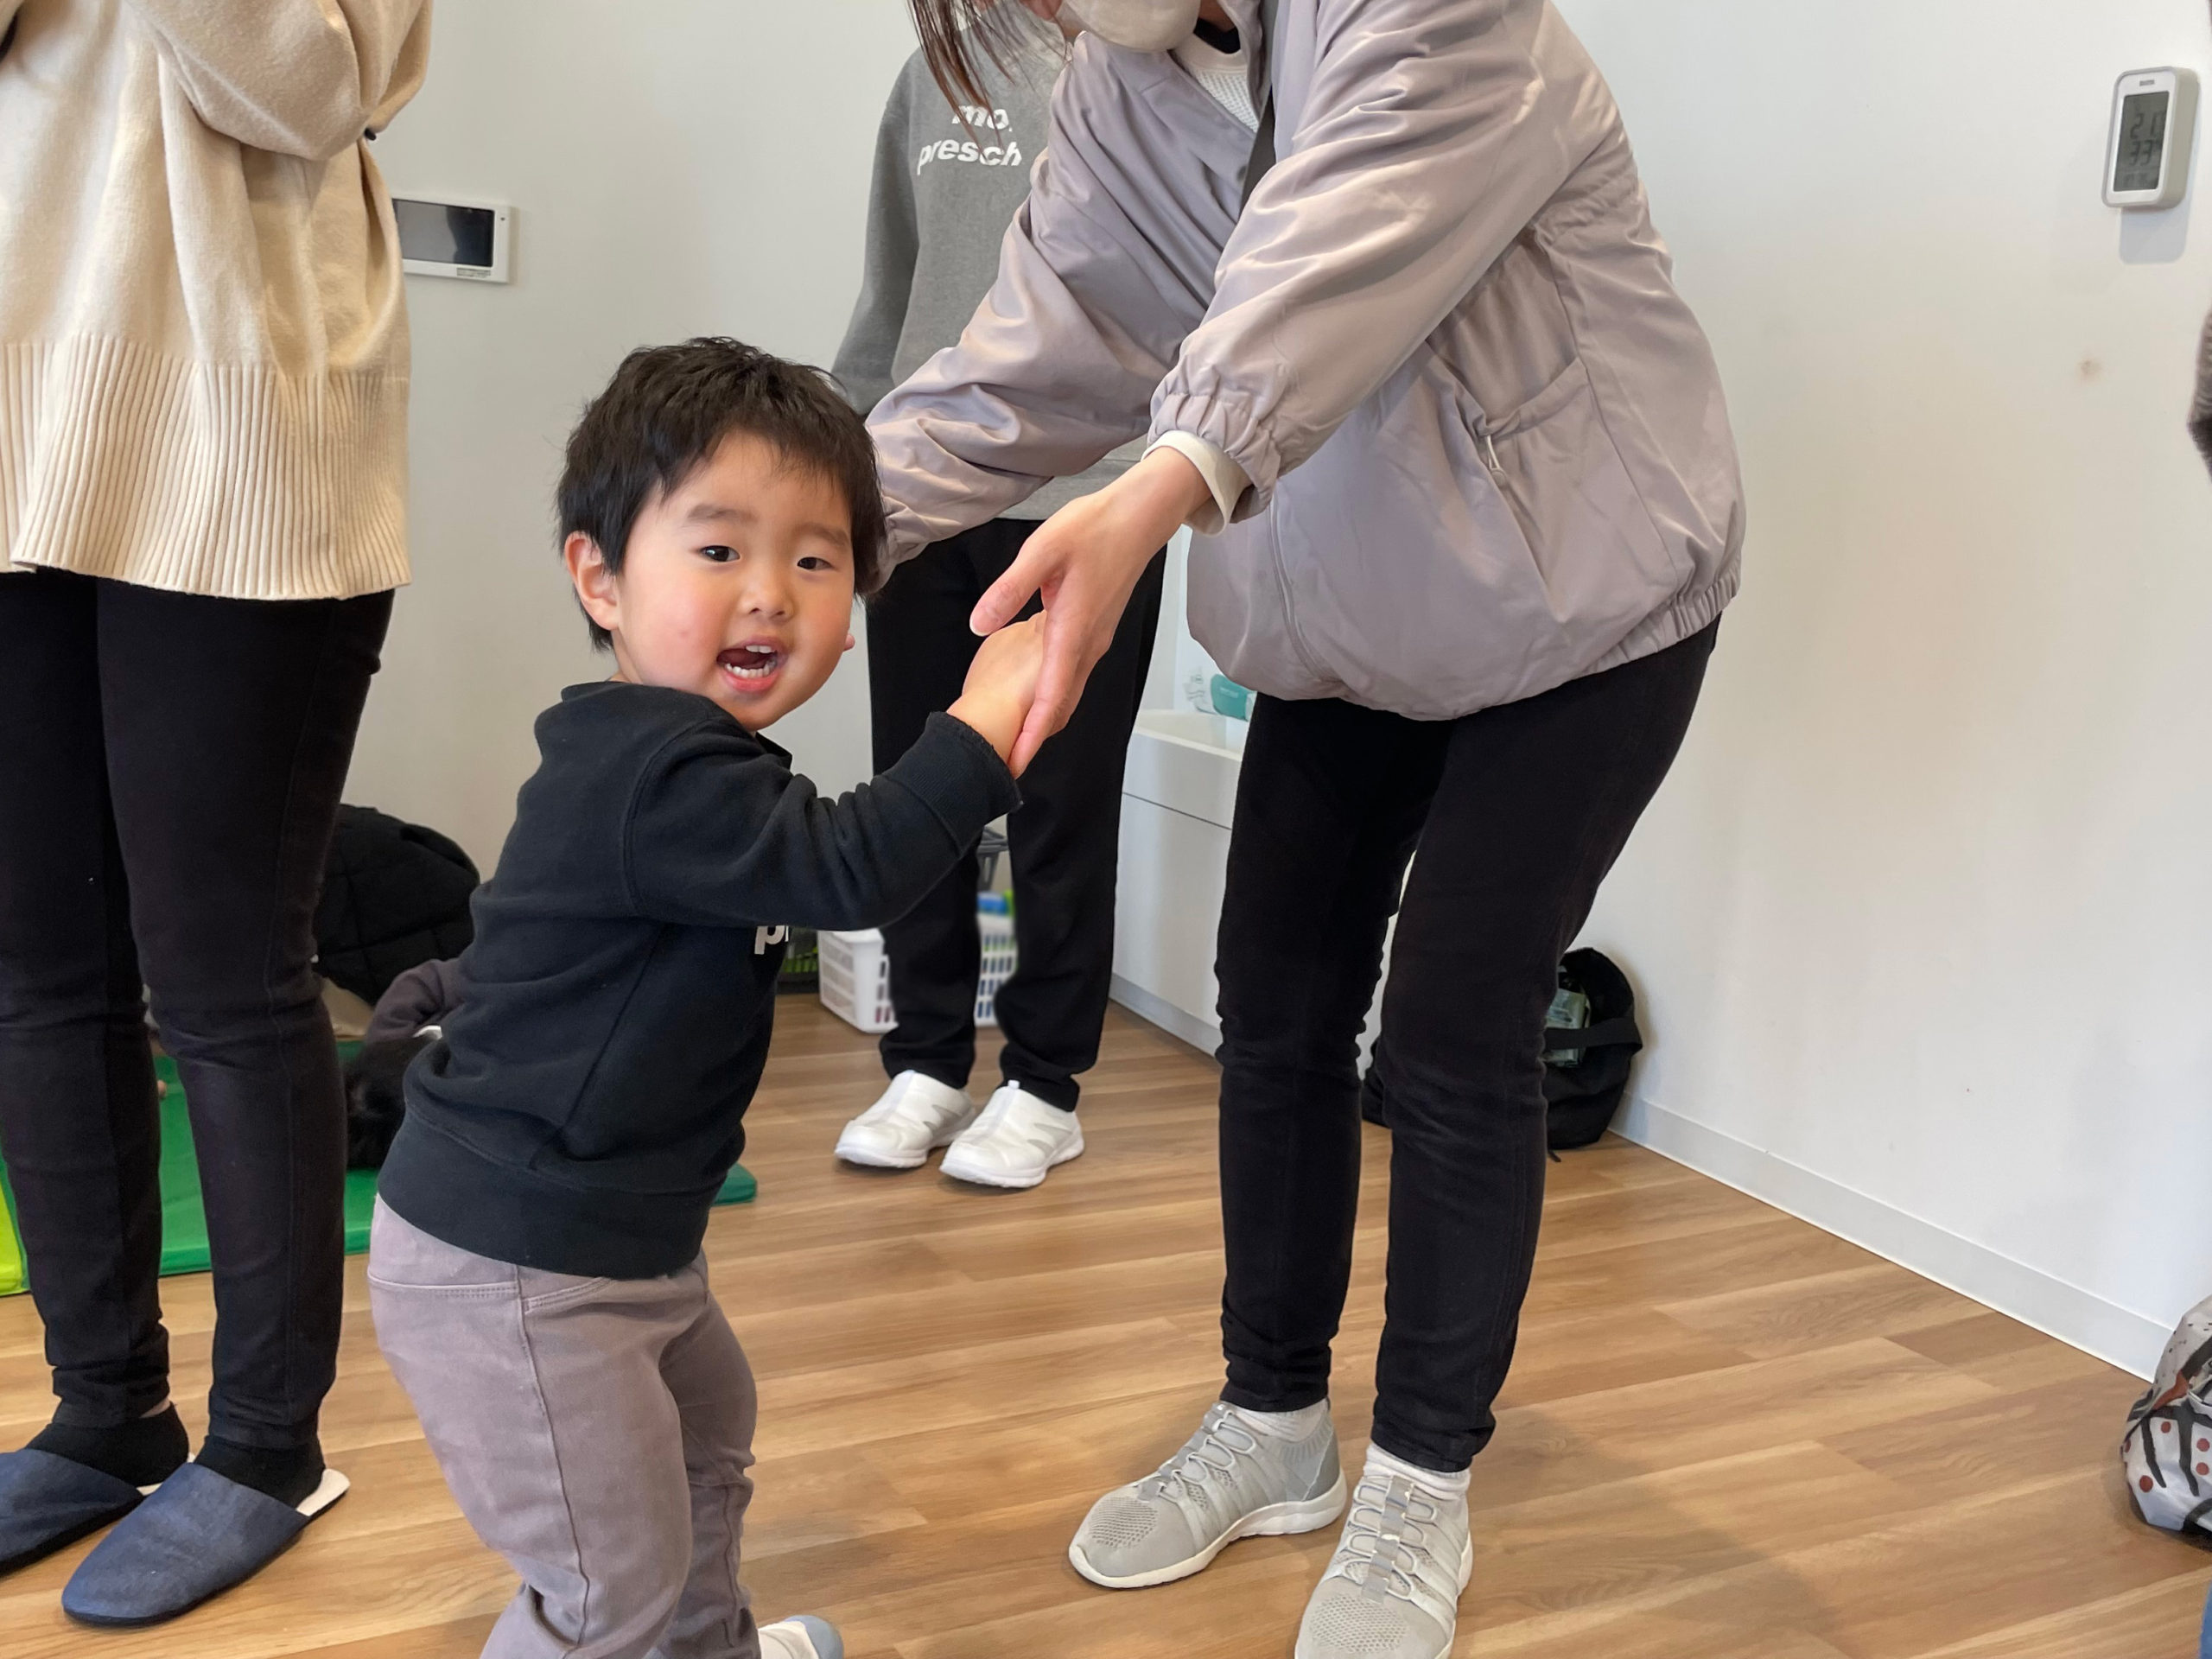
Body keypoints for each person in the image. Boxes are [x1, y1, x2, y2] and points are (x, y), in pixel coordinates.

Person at [868, 1, 1745, 1655]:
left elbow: (1321, 275)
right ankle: (1273, 1419)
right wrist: (815, 533)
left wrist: (1148, 496)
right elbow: (1046, 342)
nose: (1053, 13)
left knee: (1453, 1028)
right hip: (1350, 599)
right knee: (1271, 1006)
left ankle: (1421, 1482)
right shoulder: (1123, 88)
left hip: (1587, 597)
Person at [366, 339, 1045, 1659]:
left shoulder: (693, 765)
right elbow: (850, 865)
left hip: (627, 1244)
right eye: (720, 549)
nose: (770, 595)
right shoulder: (652, 769)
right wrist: (979, 730)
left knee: (704, 1446)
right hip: (519, 1268)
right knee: (604, 1587)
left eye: (816, 561)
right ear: (601, 579)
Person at [0, 0, 429, 1625]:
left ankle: (267, 1444)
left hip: (245, 427)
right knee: (37, 968)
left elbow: (309, 83)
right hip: (16, 422)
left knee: (227, 978)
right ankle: (105, 1413)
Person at [830, 11, 1163, 1190]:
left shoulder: (1143, 67)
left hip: (1087, 499)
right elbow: (890, 286)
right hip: (919, 486)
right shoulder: (934, 70)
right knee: (919, 783)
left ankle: (1044, 1083)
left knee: (1061, 802)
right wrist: (843, 472)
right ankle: (926, 1059)